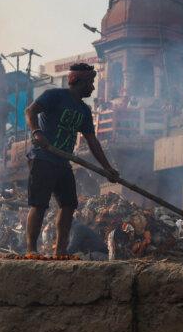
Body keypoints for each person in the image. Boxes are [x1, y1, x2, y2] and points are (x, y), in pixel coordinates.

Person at [25, 63, 118, 256]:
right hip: (43, 157)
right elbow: (30, 111)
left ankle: (60, 250)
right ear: (76, 81)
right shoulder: (55, 96)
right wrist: (36, 132)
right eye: (90, 82)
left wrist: (108, 169)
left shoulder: (84, 111)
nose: (92, 87)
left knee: (68, 205)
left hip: (63, 161)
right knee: (39, 204)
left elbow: (93, 142)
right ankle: (31, 250)